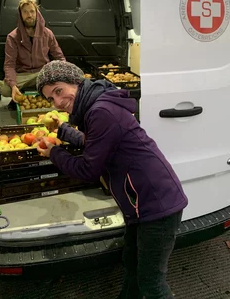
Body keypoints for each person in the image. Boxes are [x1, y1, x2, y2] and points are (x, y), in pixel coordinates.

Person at [36, 60, 188, 299]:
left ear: (77, 82)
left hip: (156, 205)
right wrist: (64, 131)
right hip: (141, 204)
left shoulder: (101, 112)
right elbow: (96, 143)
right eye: (50, 98)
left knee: (151, 284)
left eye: (58, 91)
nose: (56, 101)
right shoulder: (97, 107)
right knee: (131, 263)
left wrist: (55, 153)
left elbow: (88, 169)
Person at [0, 0, 66, 108]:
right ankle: (19, 96)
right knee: (5, 89)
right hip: (23, 75)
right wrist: (13, 85)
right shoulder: (13, 37)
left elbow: (59, 56)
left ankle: (43, 96)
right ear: (20, 15)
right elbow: (9, 65)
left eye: (32, 11)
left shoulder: (47, 34)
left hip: (41, 72)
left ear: (37, 13)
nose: (29, 15)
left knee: (59, 78)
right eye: (25, 12)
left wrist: (64, 72)